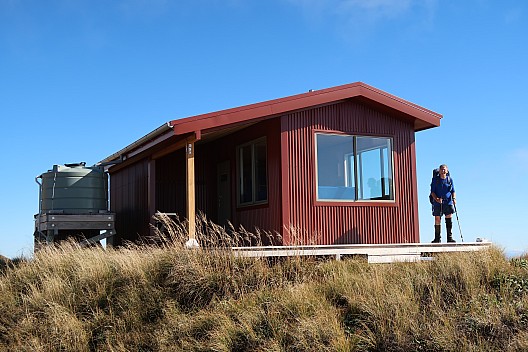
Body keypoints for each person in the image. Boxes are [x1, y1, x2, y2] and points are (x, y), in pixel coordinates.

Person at [430, 164, 456, 243]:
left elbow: (453, 191)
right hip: (438, 203)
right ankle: (437, 239)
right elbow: (432, 192)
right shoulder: (435, 180)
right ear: (439, 171)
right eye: (441, 169)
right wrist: (436, 199)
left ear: (447, 170)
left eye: (444, 169)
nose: (443, 171)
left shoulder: (449, 180)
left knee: (449, 218)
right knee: (437, 219)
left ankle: (449, 238)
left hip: (448, 202)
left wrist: (454, 198)